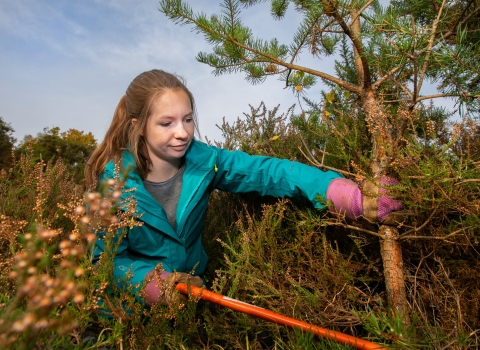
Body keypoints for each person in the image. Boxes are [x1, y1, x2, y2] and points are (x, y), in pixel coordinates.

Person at [85, 69, 403, 307]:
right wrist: (156, 285)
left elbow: (268, 172)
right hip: (123, 318)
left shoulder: (204, 161)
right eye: (166, 123)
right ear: (137, 126)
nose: (182, 133)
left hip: (192, 303)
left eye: (187, 119)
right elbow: (105, 261)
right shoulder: (111, 187)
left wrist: (338, 191)